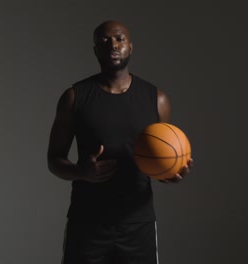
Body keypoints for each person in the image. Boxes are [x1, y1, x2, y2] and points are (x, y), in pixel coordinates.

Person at [46, 20, 193, 264]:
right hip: (87, 222)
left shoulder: (157, 99)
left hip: (138, 223)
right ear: (95, 50)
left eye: (119, 39)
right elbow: (54, 160)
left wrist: (171, 173)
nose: (113, 44)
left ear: (130, 47)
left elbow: (161, 161)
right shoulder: (74, 97)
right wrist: (82, 172)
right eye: (104, 40)